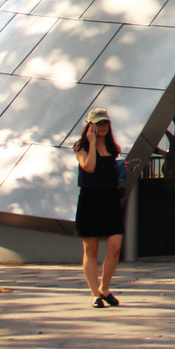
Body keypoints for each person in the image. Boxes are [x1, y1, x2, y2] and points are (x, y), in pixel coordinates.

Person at [75, 106, 124, 307]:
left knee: (115, 247)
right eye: (97, 124)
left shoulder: (114, 149)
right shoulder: (82, 147)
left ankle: (105, 288)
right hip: (90, 199)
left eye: (105, 123)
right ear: (90, 126)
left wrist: (124, 168)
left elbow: (112, 172)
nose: (102, 127)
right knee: (91, 250)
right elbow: (89, 167)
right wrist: (93, 143)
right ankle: (94, 294)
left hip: (110, 199)